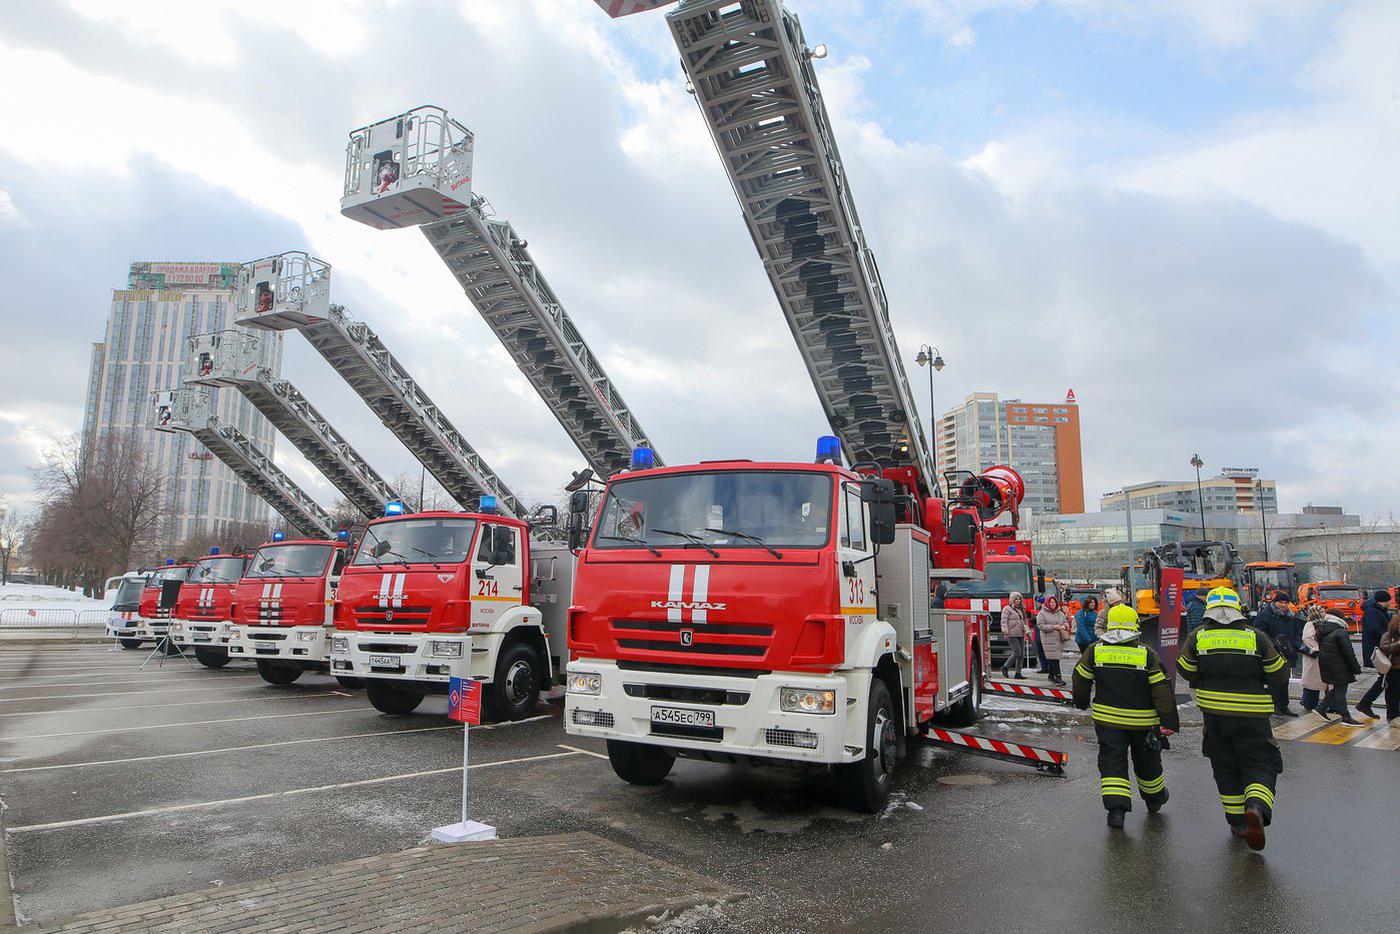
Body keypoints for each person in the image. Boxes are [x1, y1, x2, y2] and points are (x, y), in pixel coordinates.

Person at [1177, 587, 1289, 851]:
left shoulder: (1197, 637)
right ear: (1238, 608)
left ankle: (1238, 824)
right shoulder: (1256, 637)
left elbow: (1185, 670)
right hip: (1252, 718)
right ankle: (1256, 808)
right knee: (1260, 764)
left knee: (1225, 768)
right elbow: (1279, 675)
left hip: (1215, 718)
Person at [1073, 604, 1179, 828]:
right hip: (1143, 723)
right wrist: (1168, 720)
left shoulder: (1095, 650)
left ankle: (1116, 811)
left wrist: (1081, 703)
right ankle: (1155, 798)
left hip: (1108, 721)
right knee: (1147, 761)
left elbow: (1080, 679)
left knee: (1112, 762)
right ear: (1136, 627)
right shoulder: (1147, 655)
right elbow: (1161, 690)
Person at [1254, 594, 1300, 717]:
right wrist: (1273, 644)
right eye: (1281, 602)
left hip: (1287, 651)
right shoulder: (1265, 614)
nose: (1284, 605)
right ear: (1275, 602)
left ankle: (1284, 706)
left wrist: (1294, 645)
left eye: (1286, 603)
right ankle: (1275, 706)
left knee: (1285, 680)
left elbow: (1296, 632)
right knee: (1274, 680)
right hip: (1272, 652)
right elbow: (1259, 632)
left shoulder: (1290, 616)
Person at [1314, 609, 1363, 724]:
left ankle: (1321, 708)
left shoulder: (1322, 629)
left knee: (1337, 688)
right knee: (1341, 690)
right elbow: (1348, 652)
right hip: (1340, 666)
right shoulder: (1340, 631)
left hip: (1328, 664)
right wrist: (1356, 668)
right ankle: (1346, 717)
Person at [1356, 590, 1392, 718]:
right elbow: (1375, 629)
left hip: (1382, 649)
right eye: (1389, 600)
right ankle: (1365, 704)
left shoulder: (1377, 610)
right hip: (1379, 650)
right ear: (1385, 600)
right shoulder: (1372, 611)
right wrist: (1389, 639)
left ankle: (1365, 704)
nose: (1391, 602)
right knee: (1385, 679)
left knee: (1385, 679)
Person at [1037, 596, 1071, 686]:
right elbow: (1041, 626)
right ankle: (1058, 677)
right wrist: (1053, 627)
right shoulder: (1042, 614)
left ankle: (1051, 675)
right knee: (1054, 658)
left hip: (1059, 638)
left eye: (1054, 602)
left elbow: (1065, 622)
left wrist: (1064, 626)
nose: (1053, 604)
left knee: (1056, 657)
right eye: (1051, 602)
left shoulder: (1059, 613)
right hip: (1048, 639)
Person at [1297, 605, 1325, 713]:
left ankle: (1309, 702)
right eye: (1321, 611)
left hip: (1318, 657)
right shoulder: (1310, 624)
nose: (1324, 613)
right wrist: (1316, 648)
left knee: (1316, 681)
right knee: (1312, 682)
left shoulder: (1320, 623)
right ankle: (1308, 703)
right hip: (1314, 657)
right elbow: (1307, 638)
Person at [999, 593, 1030, 680]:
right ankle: (1005, 667)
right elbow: (1003, 621)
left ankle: (1018, 673)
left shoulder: (1021, 609)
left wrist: (1028, 633)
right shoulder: (1007, 609)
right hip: (1012, 634)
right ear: (1012, 599)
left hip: (1020, 633)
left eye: (1019, 599)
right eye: (1016, 599)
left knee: (1021, 654)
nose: (1018, 601)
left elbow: (1025, 622)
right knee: (1017, 652)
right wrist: (1005, 632)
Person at [1378, 613, 1400, 722]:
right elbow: (1383, 647)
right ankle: (1393, 716)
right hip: (1394, 668)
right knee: (1392, 694)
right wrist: (1398, 644)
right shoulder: (1389, 635)